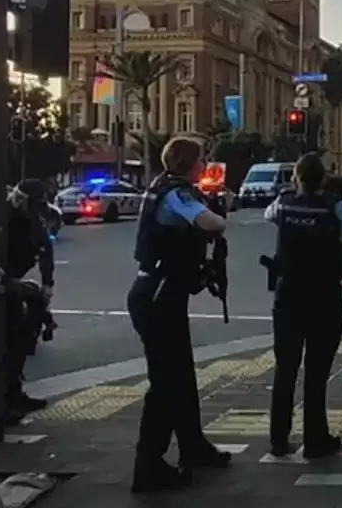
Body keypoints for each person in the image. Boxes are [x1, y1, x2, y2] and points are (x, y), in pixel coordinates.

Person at [127, 137, 231, 493]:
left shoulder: (166, 188)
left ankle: (192, 445)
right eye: (201, 159)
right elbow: (210, 223)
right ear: (190, 163)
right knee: (165, 383)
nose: (204, 165)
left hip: (163, 294)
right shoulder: (176, 194)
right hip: (156, 296)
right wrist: (219, 213)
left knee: (182, 375)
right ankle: (149, 466)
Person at [262, 152, 342, 459]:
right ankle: (316, 439)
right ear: (324, 178)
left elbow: (269, 216)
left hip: (288, 295)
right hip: (324, 295)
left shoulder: (283, 203)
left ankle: (278, 439)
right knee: (317, 371)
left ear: (296, 177)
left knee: (285, 368)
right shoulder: (336, 207)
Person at [0, 178, 59, 426]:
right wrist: (9, 282)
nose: (35, 212)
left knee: (22, 337)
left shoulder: (33, 218)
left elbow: (45, 248)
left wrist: (47, 283)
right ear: (19, 199)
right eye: (31, 206)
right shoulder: (1, 218)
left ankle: (15, 393)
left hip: (14, 280)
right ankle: (2, 400)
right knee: (5, 343)